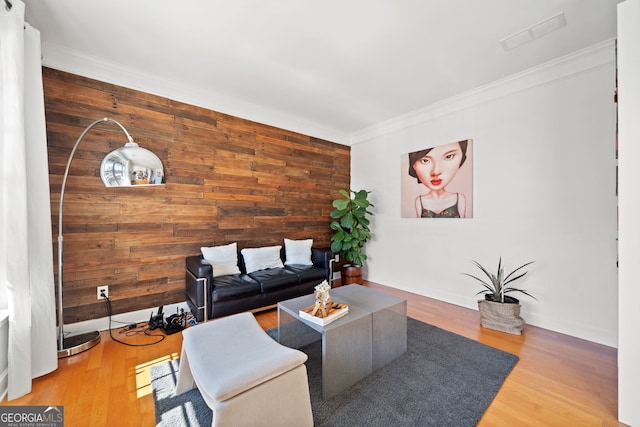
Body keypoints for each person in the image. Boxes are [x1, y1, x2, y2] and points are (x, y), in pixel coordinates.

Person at [408, 139, 469, 218]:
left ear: (461, 159)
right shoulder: (419, 201)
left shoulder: (460, 199)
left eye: (448, 156)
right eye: (425, 160)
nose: (436, 172)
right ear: (414, 165)